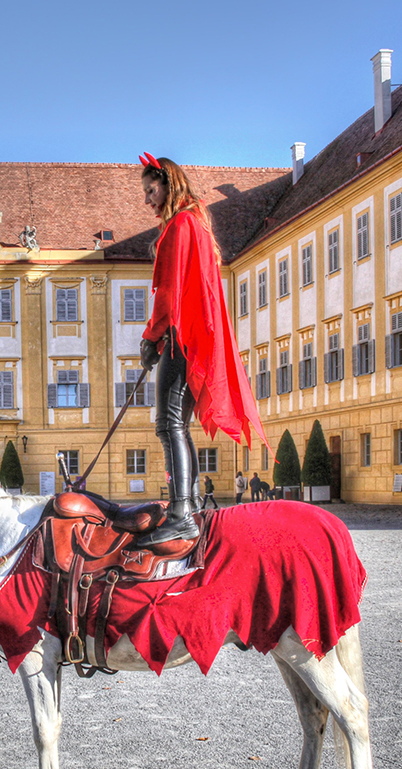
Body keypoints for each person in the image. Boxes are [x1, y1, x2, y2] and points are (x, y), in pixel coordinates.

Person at [136, 153, 269, 544]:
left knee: (168, 423)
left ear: (168, 183)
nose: (148, 200)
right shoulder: (196, 223)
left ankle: (181, 512)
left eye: (151, 190)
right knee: (178, 424)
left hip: (182, 338)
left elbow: (170, 292)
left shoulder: (180, 225)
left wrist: (152, 336)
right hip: (191, 336)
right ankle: (190, 503)